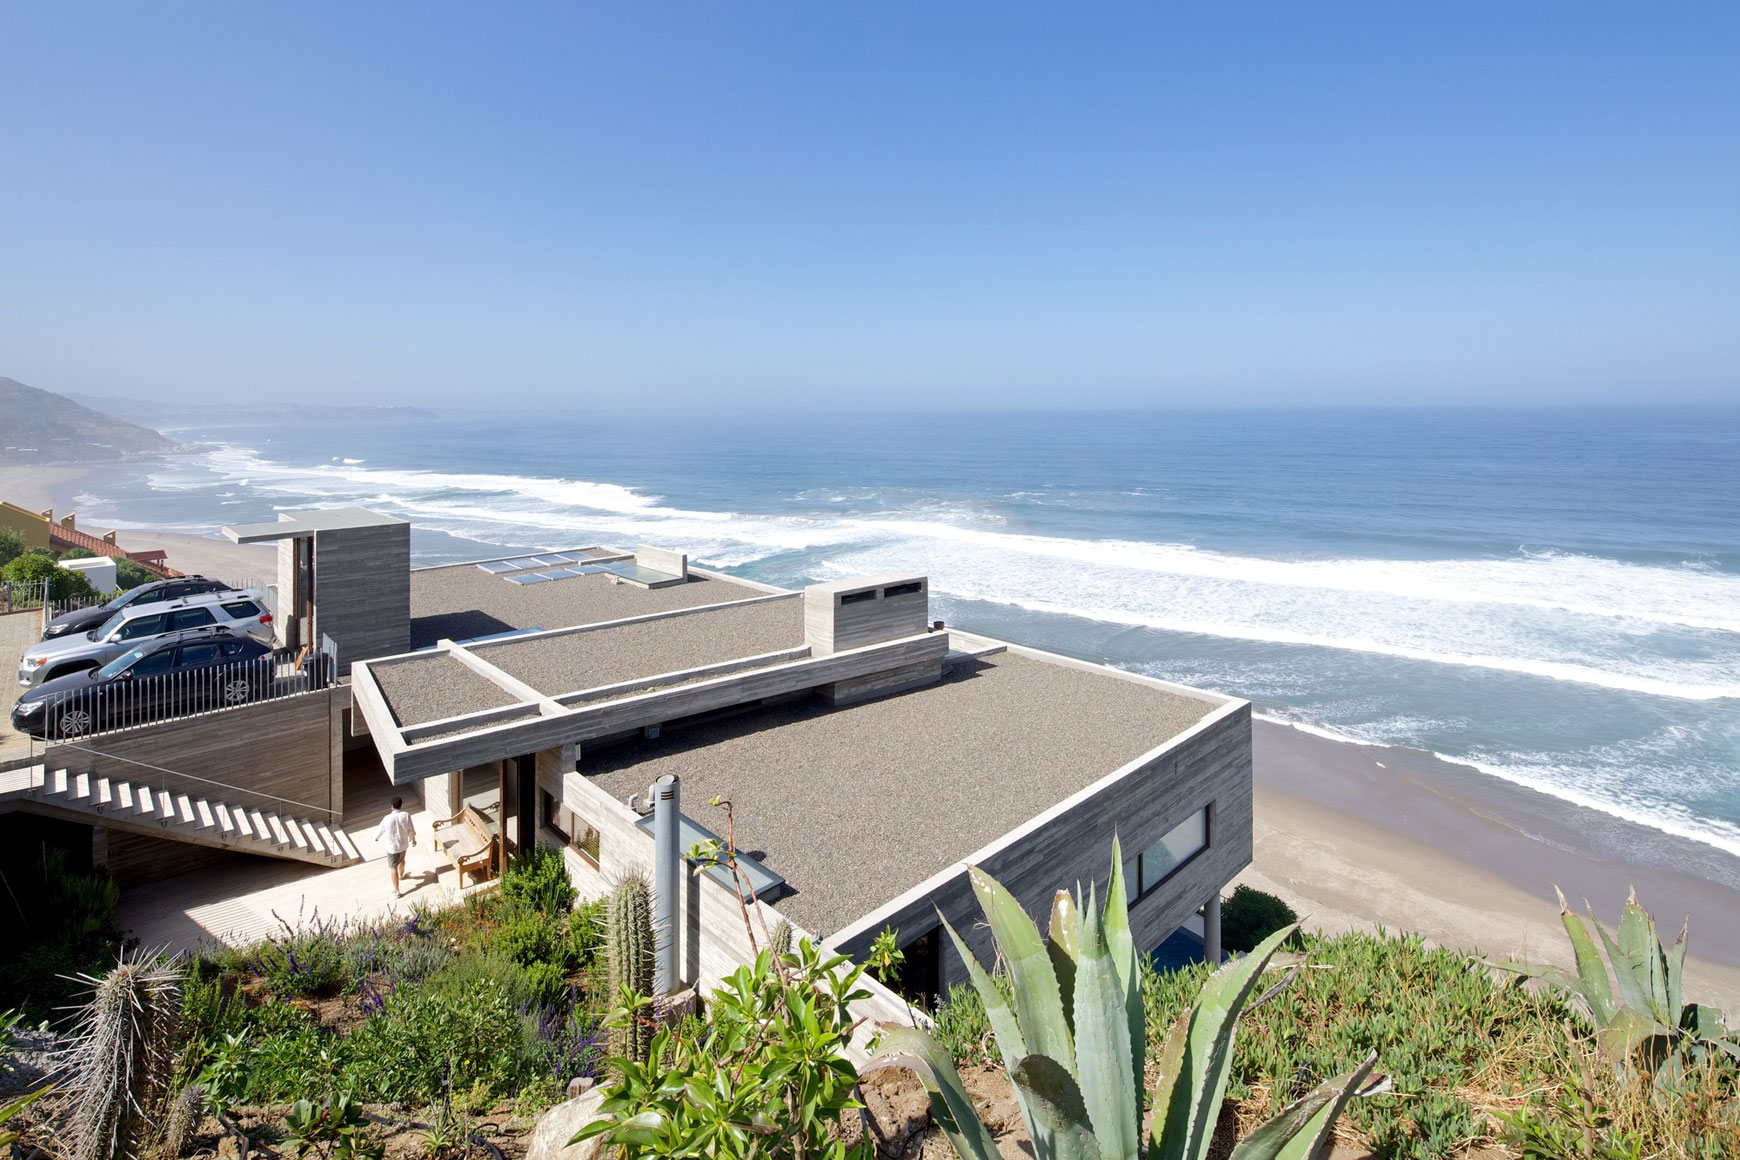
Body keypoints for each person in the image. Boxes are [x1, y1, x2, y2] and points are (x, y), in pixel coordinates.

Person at [373, 796, 417, 896]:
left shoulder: (387, 818)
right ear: (401, 805)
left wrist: (375, 838)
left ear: (392, 806)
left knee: (393, 867)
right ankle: (401, 875)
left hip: (391, 847)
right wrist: (413, 840)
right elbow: (411, 829)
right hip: (403, 845)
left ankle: (397, 891)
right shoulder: (406, 815)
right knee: (402, 860)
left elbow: (380, 829)